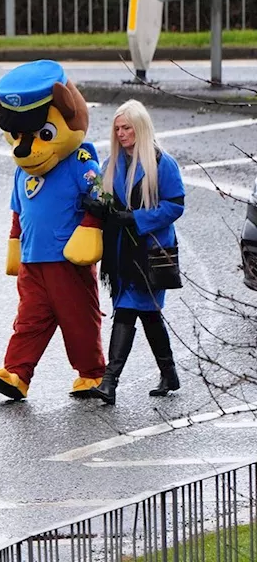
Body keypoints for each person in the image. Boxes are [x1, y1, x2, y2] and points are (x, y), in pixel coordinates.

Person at [0, 60, 108, 401]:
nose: (25, 147)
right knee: (28, 321)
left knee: (79, 320)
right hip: (34, 262)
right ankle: (17, 373)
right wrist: (15, 246)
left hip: (68, 261)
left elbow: (101, 202)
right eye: (18, 136)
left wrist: (90, 231)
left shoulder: (80, 165)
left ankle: (92, 374)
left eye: (42, 135)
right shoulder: (23, 173)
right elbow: (18, 212)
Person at [81, 100, 185, 405]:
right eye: (117, 128)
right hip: (120, 251)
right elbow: (100, 195)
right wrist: (96, 204)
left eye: (127, 127)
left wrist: (137, 218)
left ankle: (110, 382)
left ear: (140, 128)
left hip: (150, 252)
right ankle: (169, 374)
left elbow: (175, 205)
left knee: (128, 310)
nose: (121, 133)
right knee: (149, 314)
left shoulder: (162, 162)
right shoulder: (111, 163)